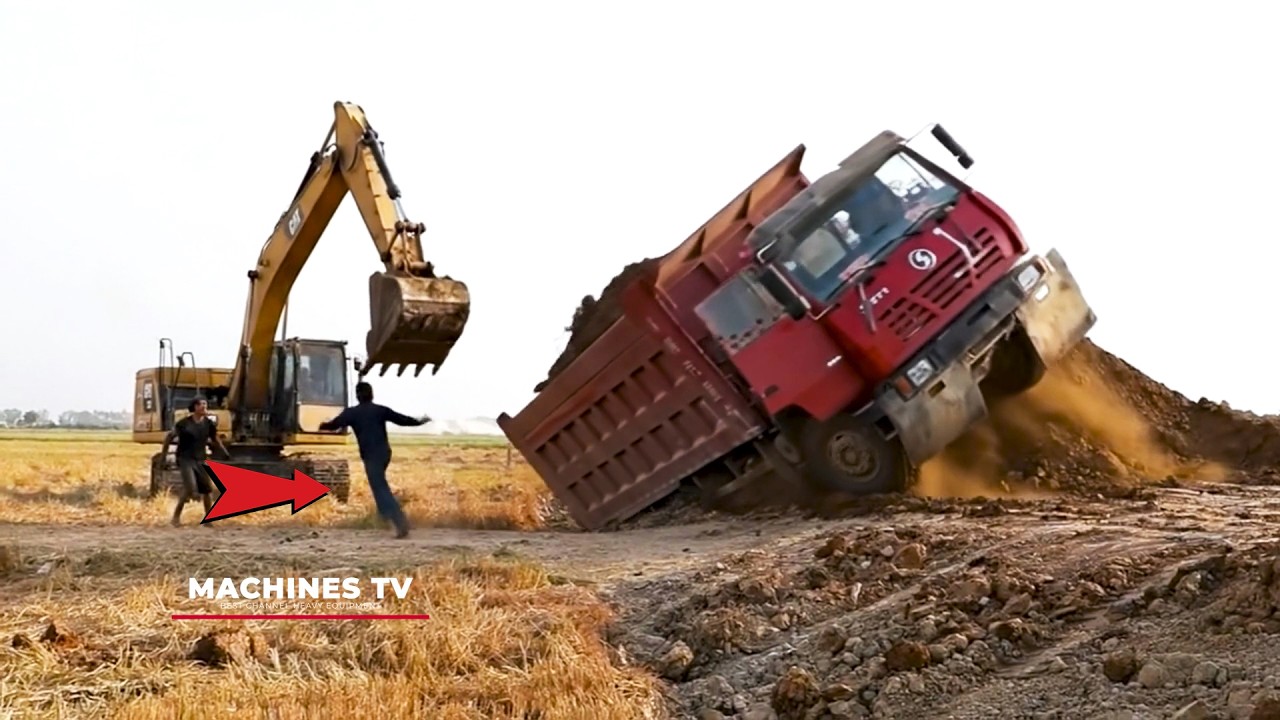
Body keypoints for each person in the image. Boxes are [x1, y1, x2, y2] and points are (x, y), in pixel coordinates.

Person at [319, 381, 430, 538]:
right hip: (384, 453)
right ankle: (384, 515)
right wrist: (419, 421)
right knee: (379, 486)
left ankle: (399, 521)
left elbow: (333, 425)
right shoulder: (380, 410)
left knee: (380, 488)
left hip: (371, 456)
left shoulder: (351, 413)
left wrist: (321, 425)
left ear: (357, 395)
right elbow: (403, 420)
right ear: (372, 395)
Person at [162, 397, 231, 527]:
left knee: (207, 490)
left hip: (200, 459)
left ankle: (208, 520)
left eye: (205, 404)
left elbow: (215, 438)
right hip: (185, 458)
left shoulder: (209, 424)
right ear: (194, 407)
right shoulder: (184, 424)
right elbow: (169, 437)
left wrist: (224, 451)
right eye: (201, 404)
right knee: (190, 488)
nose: (204, 407)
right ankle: (175, 518)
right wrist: (163, 457)